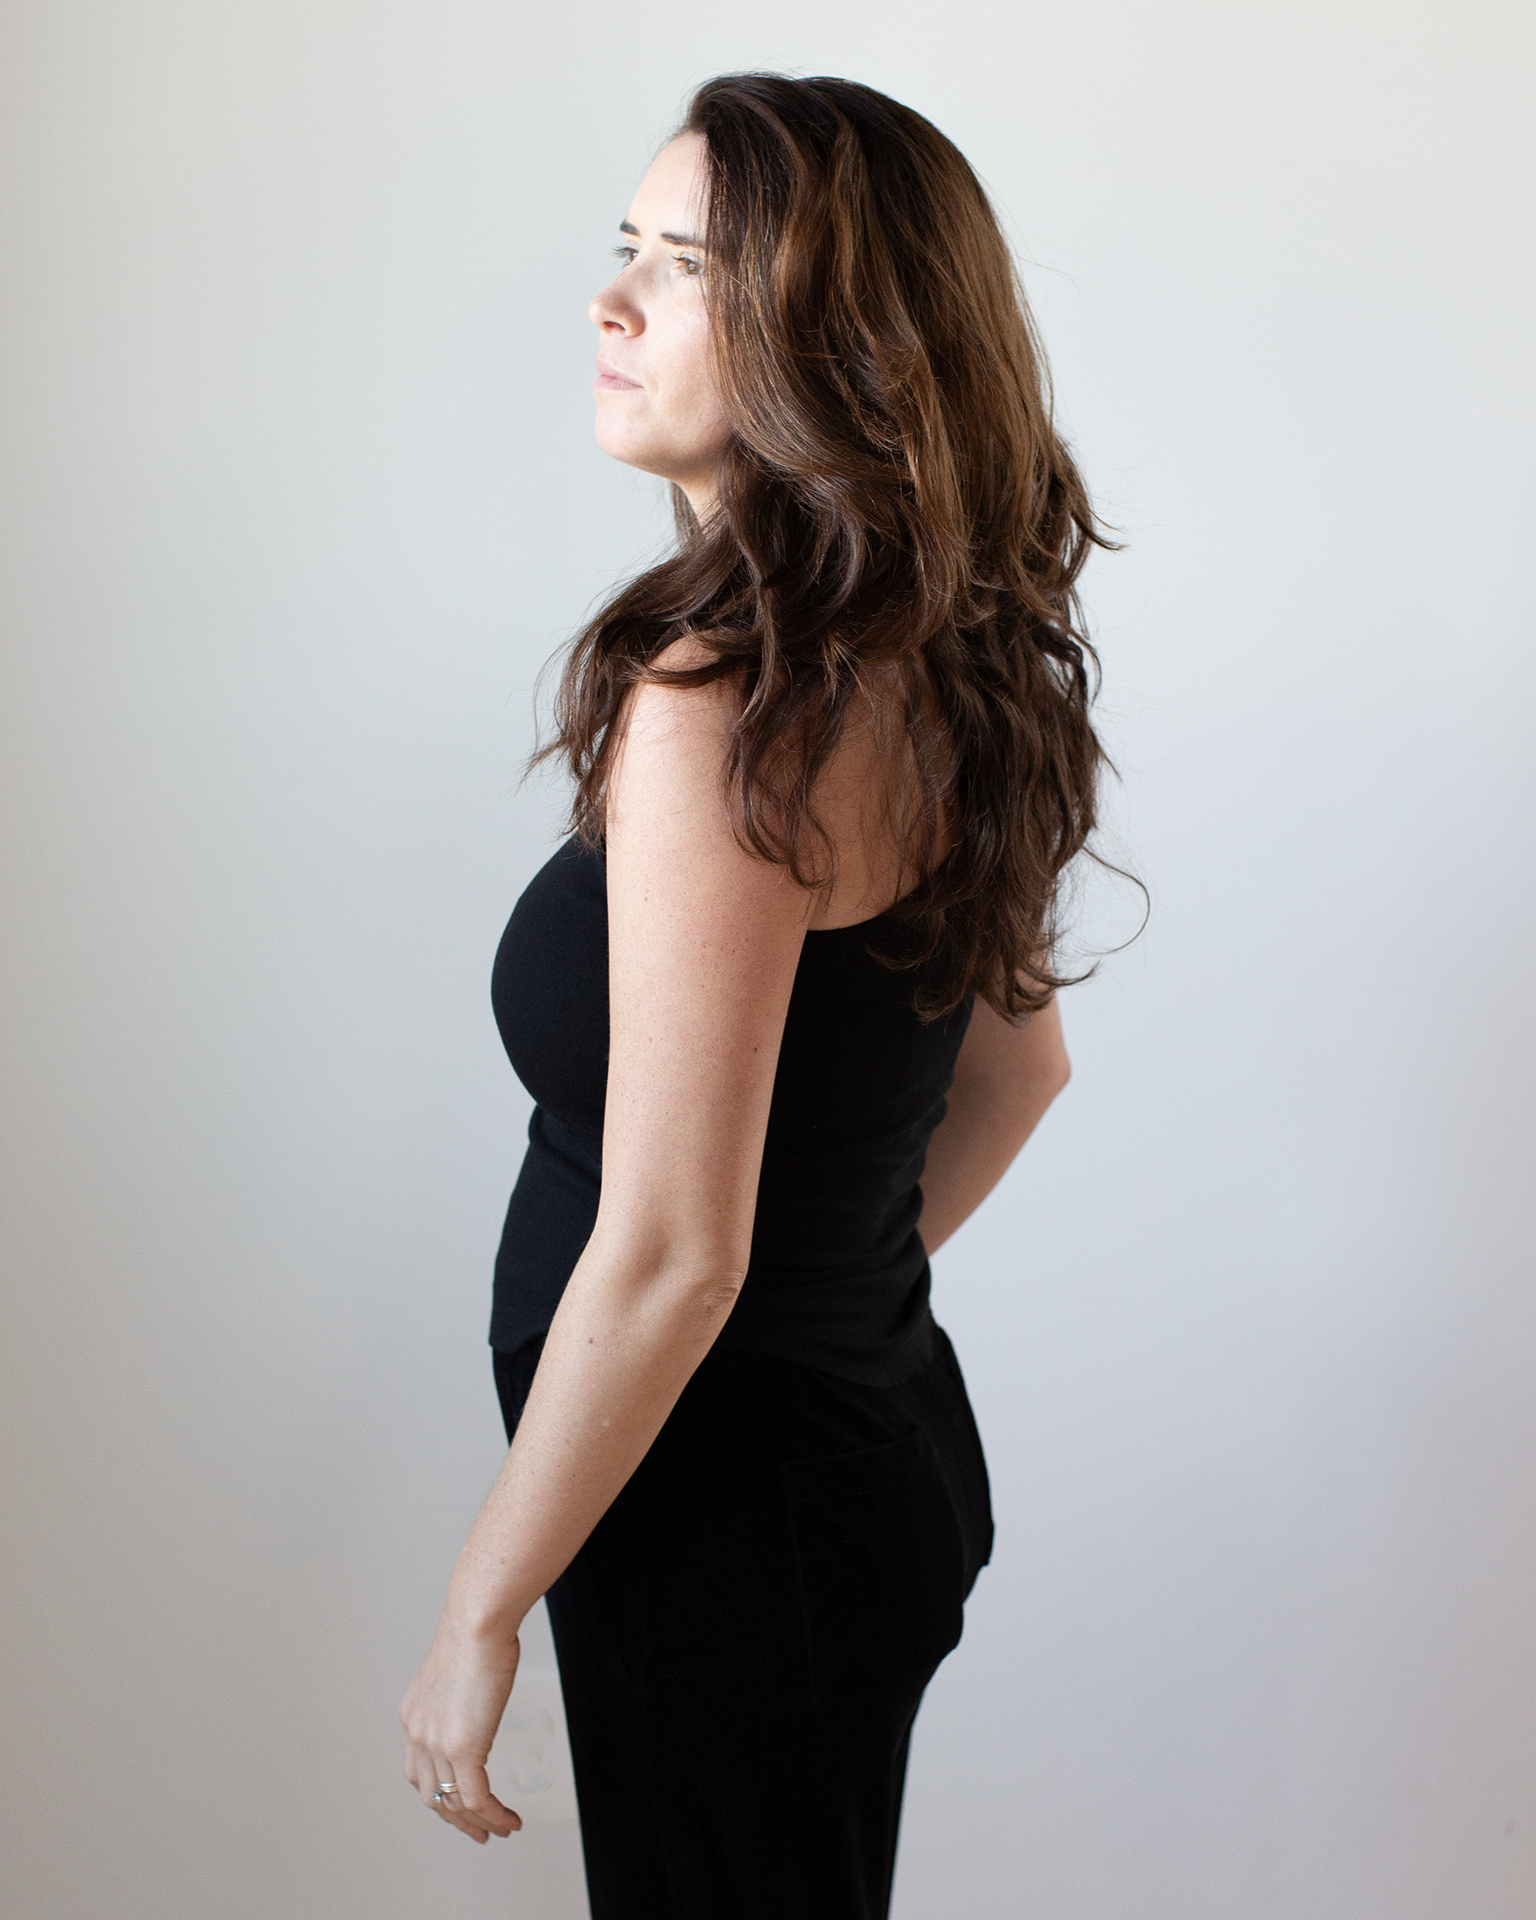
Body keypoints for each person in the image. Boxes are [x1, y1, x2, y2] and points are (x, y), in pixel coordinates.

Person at [400, 72, 1108, 1920]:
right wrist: (827, 1317)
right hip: (854, 1467)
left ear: (835, 337)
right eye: (620, 249)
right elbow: (1018, 1074)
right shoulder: (937, 660)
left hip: (728, 1530)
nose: (611, 301)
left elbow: (673, 1257)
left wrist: (480, 1609)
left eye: (686, 266)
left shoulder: (726, 707)